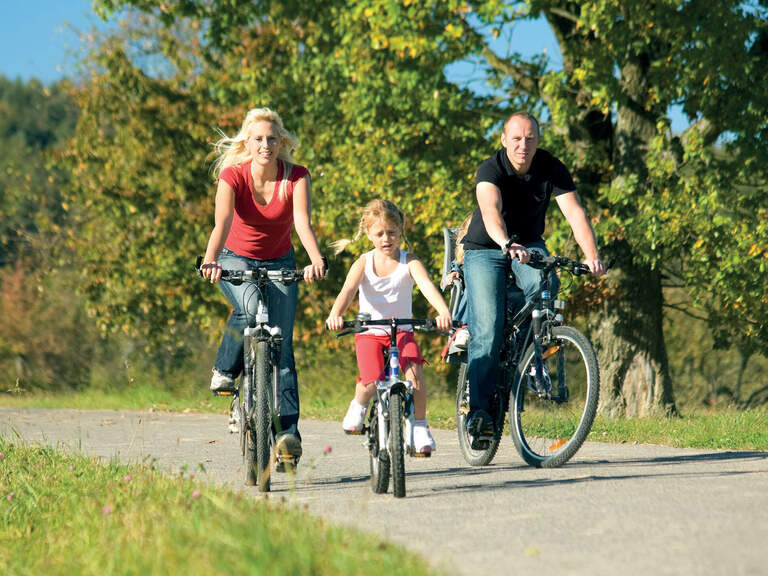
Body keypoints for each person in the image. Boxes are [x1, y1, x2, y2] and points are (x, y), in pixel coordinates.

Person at [462, 111, 606, 442]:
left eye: (530, 139)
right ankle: (479, 414)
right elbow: (490, 212)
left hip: (528, 244)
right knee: (488, 328)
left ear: (538, 141)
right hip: (486, 248)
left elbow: (574, 213)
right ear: (504, 140)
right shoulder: (490, 169)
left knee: (547, 284)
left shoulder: (551, 167)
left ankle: (530, 356)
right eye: (516, 138)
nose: (523, 145)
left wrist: (592, 257)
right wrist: (506, 243)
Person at [200, 107, 326, 466]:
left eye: (272, 138)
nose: (265, 145)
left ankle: (288, 437)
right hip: (234, 258)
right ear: (247, 142)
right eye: (258, 139)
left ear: (281, 141)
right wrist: (210, 259)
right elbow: (222, 222)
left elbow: (302, 222)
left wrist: (315, 259)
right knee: (250, 308)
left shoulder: (297, 177)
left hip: (280, 261)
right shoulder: (232, 176)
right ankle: (226, 369)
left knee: (282, 349)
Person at [326, 199, 452, 455]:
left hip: (402, 332)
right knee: (372, 382)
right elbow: (348, 291)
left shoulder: (410, 262)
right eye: (380, 233)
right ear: (368, 234)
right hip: (370, 333)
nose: (386, 239)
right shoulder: (363, 262)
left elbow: (426, 286)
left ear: (400, 231)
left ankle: (419, 426)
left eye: (392, 233)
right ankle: (359, 404)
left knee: (415, 375)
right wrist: (335, 314)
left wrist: (443, 312)